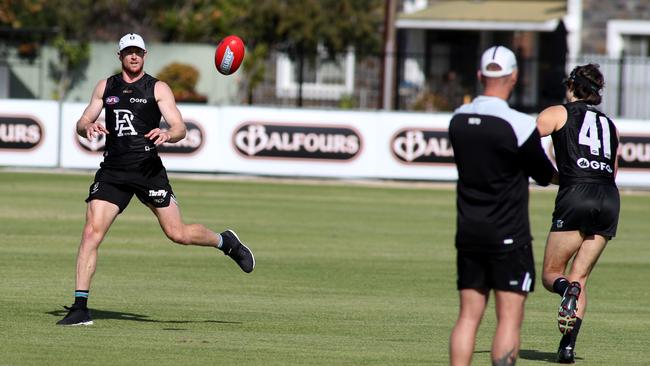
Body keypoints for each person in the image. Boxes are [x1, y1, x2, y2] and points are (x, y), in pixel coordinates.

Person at [57, 33, 255, 326]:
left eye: (138, 52)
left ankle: (225, 242)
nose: (133, 56)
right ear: (120, 56)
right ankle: (80, 307)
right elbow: (82, 121)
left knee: (178, 234)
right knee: (90, 234)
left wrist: (167, 134)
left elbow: (179, 128)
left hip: (148, 170)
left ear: (145, 55)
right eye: (128, 52)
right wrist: (87, 127)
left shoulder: (158, 88)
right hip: (113, 171)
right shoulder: (106, 86)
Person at [448, 45, 557, 366]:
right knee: (508, 318)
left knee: (468, 317)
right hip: (508, 234)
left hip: (468, 231)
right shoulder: (520, 125)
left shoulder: (458, 119)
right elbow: (543, 175)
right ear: (514, 77)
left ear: (480, 75)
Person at [536, 64, 619, 363]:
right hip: (609, 198)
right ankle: (567, 348)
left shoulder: (557, 113)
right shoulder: (610, 125)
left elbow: (526, 142)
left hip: (577, 194)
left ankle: (565, 290)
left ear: (571, 86)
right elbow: (613, 170)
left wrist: (549, 175)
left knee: (551, 275)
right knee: (580, 277)